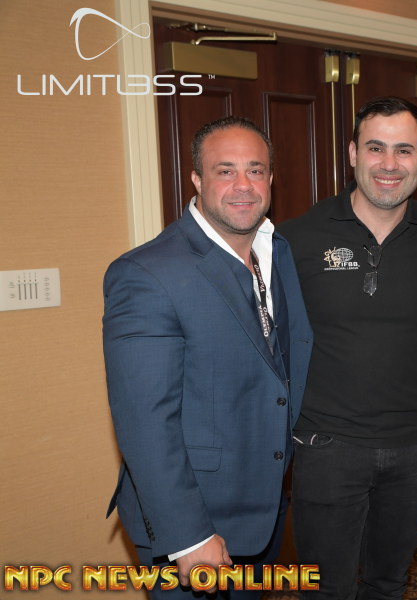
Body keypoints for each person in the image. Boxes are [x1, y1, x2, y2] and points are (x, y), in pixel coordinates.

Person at [103, 116, 313, 597]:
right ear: (196, 179)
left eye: (255, 170)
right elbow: (144, 419)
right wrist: (188, 536)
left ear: (271, 178)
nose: (244, 185)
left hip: (263, 506)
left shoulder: (277, 251)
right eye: (225, 171)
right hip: (192, 524)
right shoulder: (147, 273)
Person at [278, 97, 417, 600]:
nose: (390, 163)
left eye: (404, 150)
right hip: (326, 447)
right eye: (375, 148)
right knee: (327, 590)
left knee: (388, 583)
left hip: (415, 449)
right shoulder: (297, 238)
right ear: (352, 154)